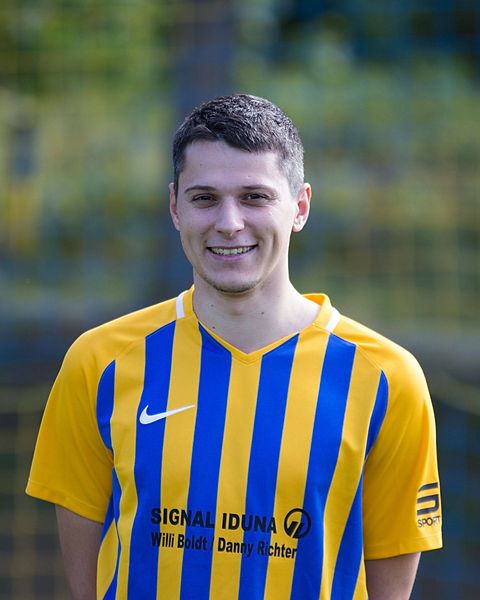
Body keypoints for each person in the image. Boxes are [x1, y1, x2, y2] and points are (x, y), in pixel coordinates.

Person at [27, 94, 442, 600]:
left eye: (254, 197)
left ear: (300, 207)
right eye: (204, 198)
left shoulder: (387, 380)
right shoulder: (98, 362)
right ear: (175, 207)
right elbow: (86, 582)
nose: (228, 222)